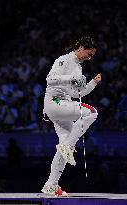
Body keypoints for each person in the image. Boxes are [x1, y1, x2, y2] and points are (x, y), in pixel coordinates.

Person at [41, 36, 101, 196]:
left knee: (64, 151)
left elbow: (77, 93)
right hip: (55, 103)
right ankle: (68, 145)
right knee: (92, 112)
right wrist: (71, 78)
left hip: (64, 106)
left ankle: (51, 185)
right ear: (80, 47)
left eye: (92, 56)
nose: (90, 58)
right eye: (89, 53)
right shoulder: (64, 60)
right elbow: (50, 80)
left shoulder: (78, 67)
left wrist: (92, 84)